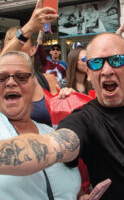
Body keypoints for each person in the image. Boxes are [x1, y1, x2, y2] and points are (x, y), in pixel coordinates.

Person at [0, 33, 124, 198]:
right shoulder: (83, 119)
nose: (106, 71)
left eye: (117, 60)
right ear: (89, 73)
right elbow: (54, 145)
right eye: (97, 63)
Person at [0, 50, 81, 199]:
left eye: (21, 77)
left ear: (34, 83)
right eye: (1, 78)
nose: (11, 82)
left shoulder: (50, 131)